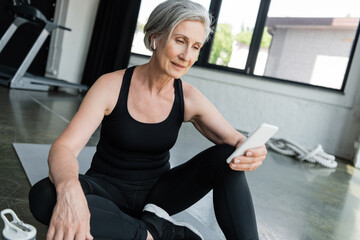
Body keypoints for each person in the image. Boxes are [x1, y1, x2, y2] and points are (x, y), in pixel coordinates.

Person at [29, 0, 267, 239]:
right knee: (44, 196)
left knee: (227, 157)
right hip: (106, 191)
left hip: (159, 197)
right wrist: (69, 188)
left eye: (195, 47)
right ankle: (157, 232)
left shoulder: (189, 97)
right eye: (180, 41)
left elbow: (235, 141)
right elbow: (64, 148)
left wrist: (252, 150)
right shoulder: (111, 86)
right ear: (156, 37)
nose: (186, 56)